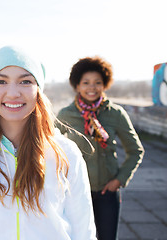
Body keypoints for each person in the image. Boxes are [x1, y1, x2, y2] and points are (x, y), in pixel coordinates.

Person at [0, 46, 97, 240]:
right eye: (1, 81)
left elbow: (83, 230)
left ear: (38, 90)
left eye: (25, 81)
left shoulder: (66, 153)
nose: (13, 93)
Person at [57, 56, 145, 240]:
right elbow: (50, 148)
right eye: (86, 82)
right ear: (77, 85)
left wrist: (119, 180)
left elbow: (135, 150)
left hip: (107, 192)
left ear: (105, 84)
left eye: (97, 82)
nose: (92, 87)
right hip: (76, 192)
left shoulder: (116, 114)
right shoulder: (66, 115)